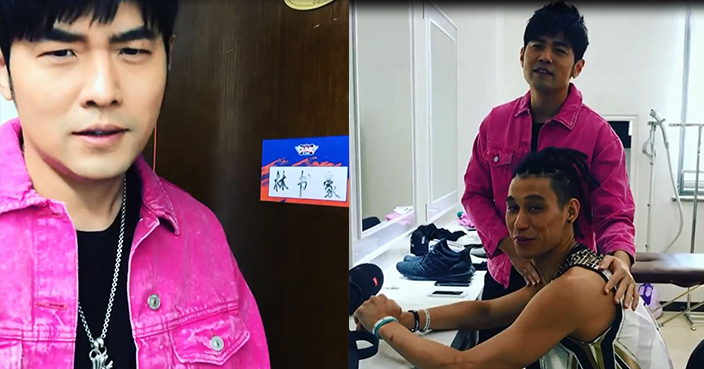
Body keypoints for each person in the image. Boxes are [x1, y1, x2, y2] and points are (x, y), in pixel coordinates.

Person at [0, 1, 269, 368]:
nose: (103, 91)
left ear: (168, 58)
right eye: (61, 52)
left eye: (132, 50)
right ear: (4, 70)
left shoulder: (201, 234)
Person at [354, 148, 673, 369]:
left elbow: (462, 364)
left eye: (535, 208)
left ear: (571, 211)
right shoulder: (568, 269)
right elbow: (486, 311)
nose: (518, 222)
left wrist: (383, 324)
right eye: (512, 207)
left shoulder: (576, 288)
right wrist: (410, 318)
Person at [461, 2, 639, 364]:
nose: (545, 56)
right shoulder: (494, 124)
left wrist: (620, 260)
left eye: (560, 50)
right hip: (505, 276)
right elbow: (474, 194)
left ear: (577, 67)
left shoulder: (599, 137)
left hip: (564, 284)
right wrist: (508, 246)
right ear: (522, 55)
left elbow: (615, 215)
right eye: (537, 46)